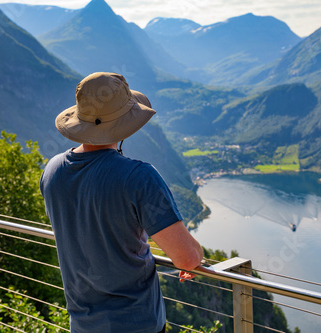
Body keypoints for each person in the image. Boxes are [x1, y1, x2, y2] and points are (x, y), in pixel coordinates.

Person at [40, 72, 204, 333]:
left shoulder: (52, 170)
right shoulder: (139, 177)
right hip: (136, 323)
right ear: (124, 124)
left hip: (82, 324)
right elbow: (186, 258)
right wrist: (195, 256)